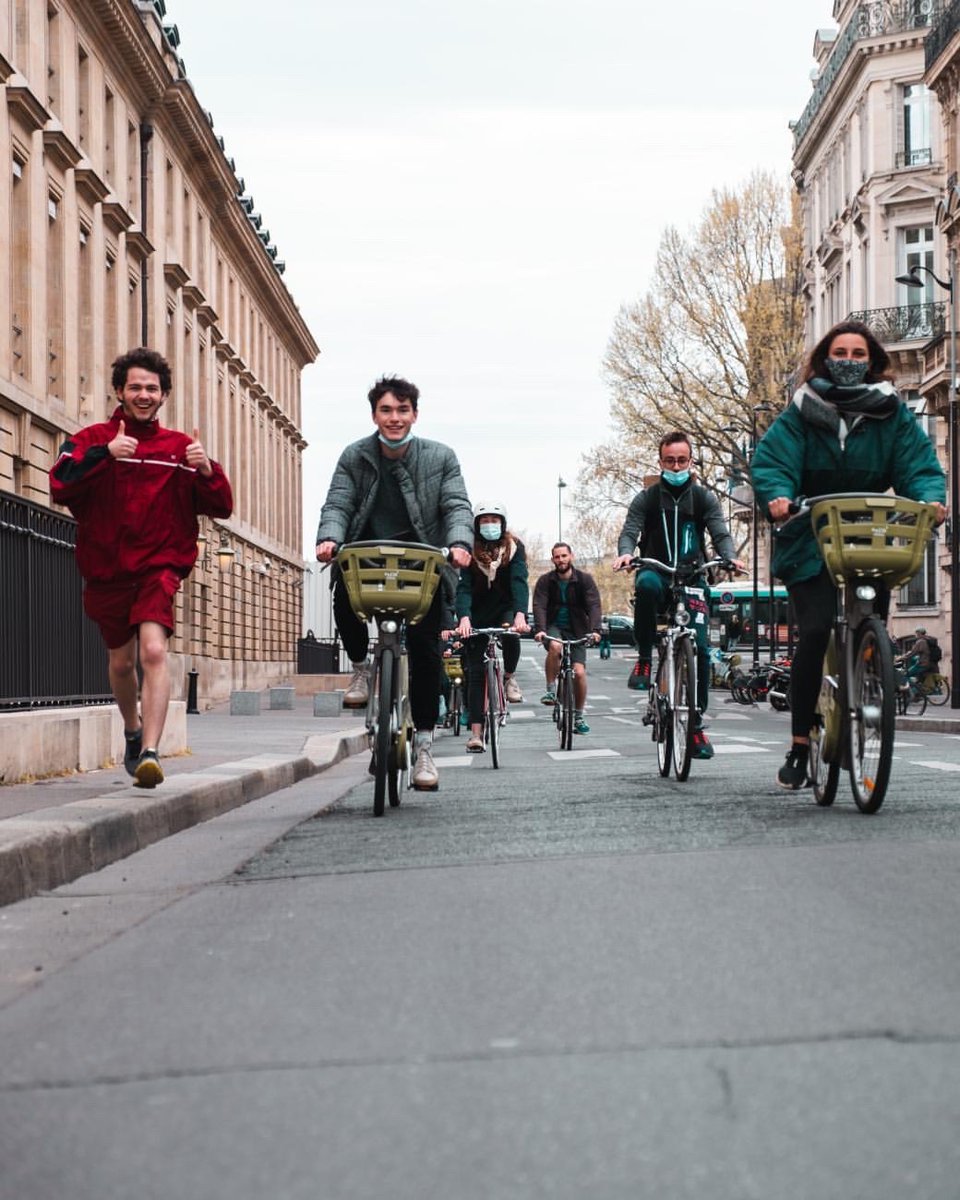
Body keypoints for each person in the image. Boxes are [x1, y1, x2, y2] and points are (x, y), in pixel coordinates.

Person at [751, 319, 947, 789]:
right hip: (808, 533)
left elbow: (918, 464)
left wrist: (930, 498)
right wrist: (778, 497)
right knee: (815, 632)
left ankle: (868, 690)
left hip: (867, 536)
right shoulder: (801, 413)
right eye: (841, 353)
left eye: (859, 355)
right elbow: (773, 461)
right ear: (824, 359)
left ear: (872, 362)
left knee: (870, 631)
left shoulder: (891, 414)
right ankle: (800, 745)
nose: (849, 362)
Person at [50, 347, 233, 788]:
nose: (144, 394)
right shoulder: (92, 439)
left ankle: (151, 752)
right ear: (119, 391)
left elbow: (222, 506)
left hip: (160, 565)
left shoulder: (179, 450)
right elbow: (60, 484)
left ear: (164, 395)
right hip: (107, 568)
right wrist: (105, 455)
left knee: (152, 650)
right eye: (135, 387)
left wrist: (208, 470)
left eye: (152, 388)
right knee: (119, 662)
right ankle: (132, 732)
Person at [315, 375, 473, 791]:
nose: (395, 418)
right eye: (386, 410)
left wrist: (458, 543)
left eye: (403, 410)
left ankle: (423, 746)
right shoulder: (355, 456)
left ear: (415, 415)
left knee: (424, 650)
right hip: (367, 557)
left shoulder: (440, 457)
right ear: (374, 415)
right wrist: (329, 538)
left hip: (424, 564)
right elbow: (338, 501)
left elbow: (456, 504)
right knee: (343, 594)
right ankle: (362, 669)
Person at [612, 430, 743, 760]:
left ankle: (695, 726)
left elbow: (720, 531)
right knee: (644, 586)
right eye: (669, 460)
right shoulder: (648, 498)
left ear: (691, 461)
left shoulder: (702, 498)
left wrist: (729, 555)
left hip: (693, 575)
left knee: (698, 648)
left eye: (681, 460)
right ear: (660, 462)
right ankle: (644, 660)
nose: (676, 465)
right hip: (656, 569)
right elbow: (630, 530)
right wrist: (627, 553)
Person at [455, 503, 530, 753]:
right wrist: (463, 618)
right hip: (476, 613)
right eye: (484, 520)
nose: (489, 525)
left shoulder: (514, 548)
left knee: (511, 636)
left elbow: (520, 582)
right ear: (477, 525)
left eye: (494, 520)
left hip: (504, 609)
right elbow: (463, 587)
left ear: (503, 523)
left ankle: (508, 678)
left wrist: (520, 615)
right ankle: (476, 734)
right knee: (475, 674)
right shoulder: (469, 550)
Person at [532, 543, 602, 734]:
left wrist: (596, 630)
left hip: (578, 629)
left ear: (571, 556)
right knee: (555, 647)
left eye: (564, 556)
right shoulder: (545, 581)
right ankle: (550, 689)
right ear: (552, 559)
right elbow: (539, 606)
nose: (561, 560)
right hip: (554, 627)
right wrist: (540, 630)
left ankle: (578, 716)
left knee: (579, 673)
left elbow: (594, 605)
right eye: (557, 557)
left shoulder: (584, 580)